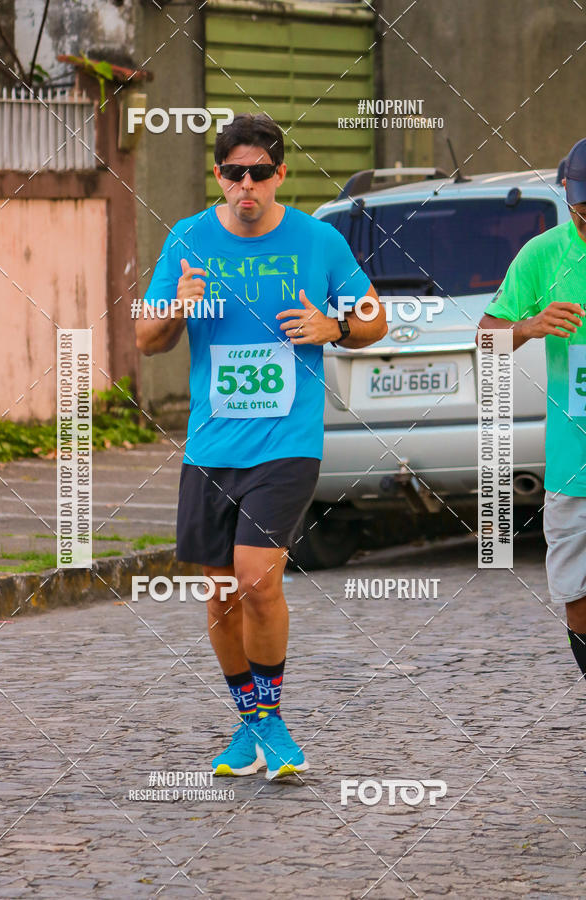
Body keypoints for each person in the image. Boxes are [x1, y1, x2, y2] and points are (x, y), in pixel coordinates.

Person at [135, 113, 386, 780]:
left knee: (256, 576)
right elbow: (146, 339)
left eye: (262, 173)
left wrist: (332, 325)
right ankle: (252, 722)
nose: (248, 185)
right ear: (218, 176)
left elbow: (375, 318)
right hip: (212, 444)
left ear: (281, 176)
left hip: (287, 440)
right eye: (234, 173)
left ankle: (269, 719)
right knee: (219, 593)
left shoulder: (317, 240)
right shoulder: (187, 239)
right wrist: (178, 307)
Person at [477, 137, 586, 704]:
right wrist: (531, 325)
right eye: (581, 206)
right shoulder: (544, 255)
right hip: (574, 463)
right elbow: (486, 337)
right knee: (576, 594)